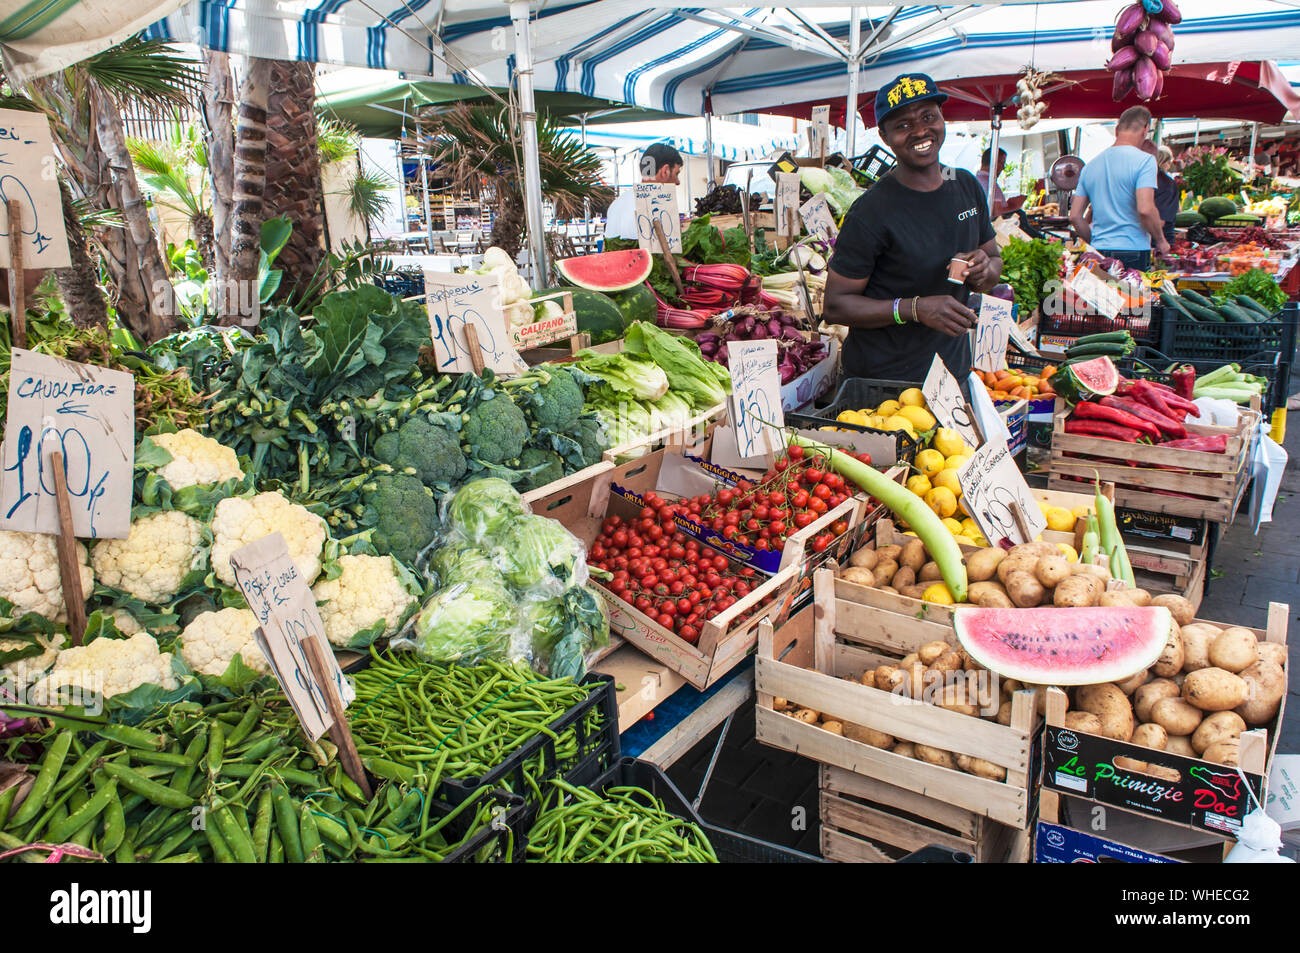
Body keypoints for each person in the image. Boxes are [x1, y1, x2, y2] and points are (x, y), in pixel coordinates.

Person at [824, 73, 1002, 382]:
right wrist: (915, 309)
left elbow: (994, 261)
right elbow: (836, 307)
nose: (920, 131)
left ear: (942, 118)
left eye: (928, 117)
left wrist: (984, 272)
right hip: (883, 383)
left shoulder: (966, 186)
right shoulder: (871, 212)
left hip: (951, 372)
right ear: (884, 136)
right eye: (903, 125)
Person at [1068, 105, 1170, 270]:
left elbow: (1075, 216)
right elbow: (1145, 209)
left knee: (1102, 296)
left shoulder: (1090, 166)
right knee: (1133, 296)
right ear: (1145, 130)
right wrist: (1161, 241)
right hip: (1133, 250)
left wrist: (1093, 240)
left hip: (1099, 251)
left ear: (1117, 130)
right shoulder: (1145, 161)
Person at [603, 143, 684, 242]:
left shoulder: (617, 203)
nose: (677, 182)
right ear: (665, 171)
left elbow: (605, 247)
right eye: (676, 173)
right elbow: (667, 253)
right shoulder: (659, 204)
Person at [1141, 139, 1179, 245]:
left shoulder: (1165, 183)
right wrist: (1161, 240)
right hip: (1153, 243)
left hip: (1154, 243)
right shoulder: (1166, 183)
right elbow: (1156, 218)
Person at [976, 147, 1009, 217]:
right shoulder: (990, 185)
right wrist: (1014, 205)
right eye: (1002, 163)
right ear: (994, 162)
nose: (1003, 168)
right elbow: (997, 215)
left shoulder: (975, 180)